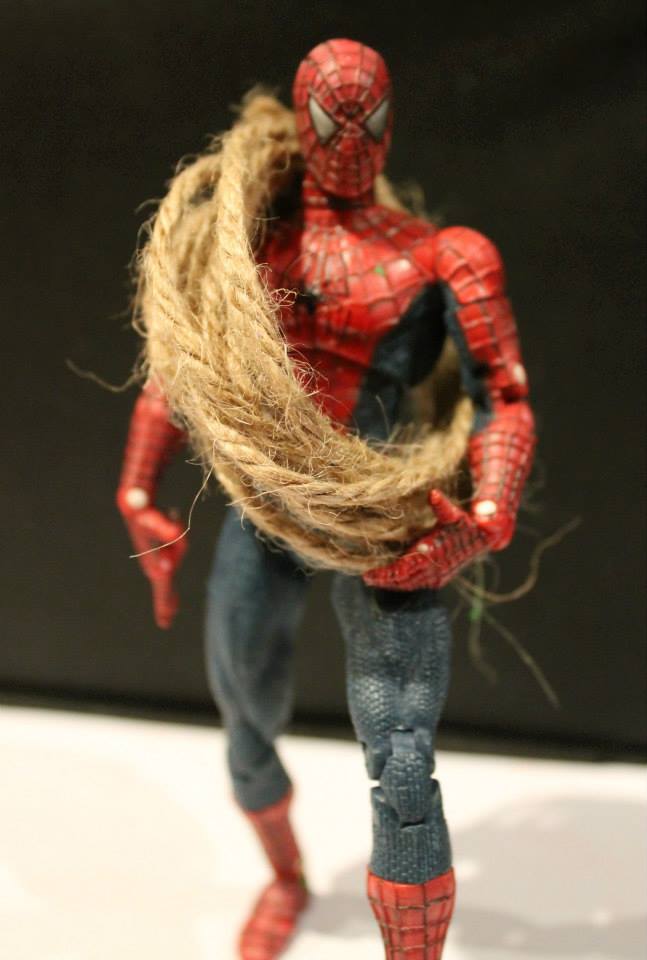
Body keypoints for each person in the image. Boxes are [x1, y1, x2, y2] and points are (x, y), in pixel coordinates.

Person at [117, 38, 535, 960]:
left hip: (389, 523)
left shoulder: (445, 257)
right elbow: (189, 368)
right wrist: (140, 483)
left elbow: (502, 396)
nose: (351, 142)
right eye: (331, 119)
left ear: (391, 123)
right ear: (302, 122)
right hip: (268, 503)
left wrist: (484, 521)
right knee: (244, 719)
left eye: (368, 119)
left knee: (403, 757)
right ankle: (285, 879)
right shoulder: (248, 240)